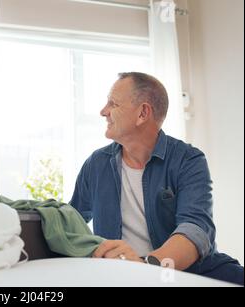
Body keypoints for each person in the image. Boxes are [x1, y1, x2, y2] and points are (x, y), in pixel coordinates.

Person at [70, 72, 244, 285]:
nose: (103, 111)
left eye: (113, 104)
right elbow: (71, 222)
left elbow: (196, 229)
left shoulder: (189, 160)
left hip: (186, 272)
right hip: (120, 276)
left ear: (143, 113)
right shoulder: (96, 164)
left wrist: (146, 268)